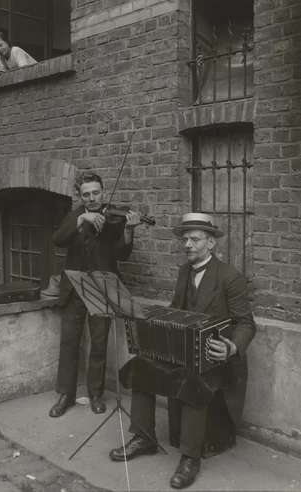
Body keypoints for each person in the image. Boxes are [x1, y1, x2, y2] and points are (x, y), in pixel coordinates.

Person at [109, 212, 256, 489]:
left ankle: (190, 458)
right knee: (142, 362)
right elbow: (178, 311)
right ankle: (144, 438)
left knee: (192, 376)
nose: (188, 245)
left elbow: (246, 323)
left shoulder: (230, 277)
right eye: (185, 240)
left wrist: (232, 346)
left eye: (195, 240)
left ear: (211, 243)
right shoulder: (183, 272)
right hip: (188, 352)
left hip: (218, 359)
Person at [49, 172, 141, 418]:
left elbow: (121, 254)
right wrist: (82, 219)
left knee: (99, 343)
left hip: (102, 289)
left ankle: (96, 394)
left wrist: (129, 231)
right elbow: (58, 239)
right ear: (80, 196)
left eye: (96, 193)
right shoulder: (74, 215)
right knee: (69, 341)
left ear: (104, 192)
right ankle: (65, 395)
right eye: (86, 195)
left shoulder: (114, 219)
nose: (92, 198)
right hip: (74, 289)